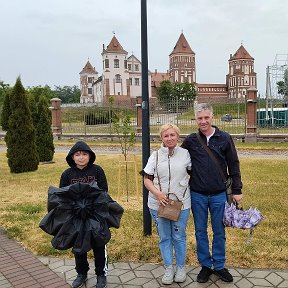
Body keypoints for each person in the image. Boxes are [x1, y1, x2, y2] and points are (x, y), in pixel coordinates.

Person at [181, 102, 243, 283]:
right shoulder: (191, 141)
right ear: (196, 119)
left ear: (212, 117)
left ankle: (220, 265)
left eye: (206, 117)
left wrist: (237, 190)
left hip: (219, 194)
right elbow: (179, 159)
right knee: (200, 231)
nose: (203, 121)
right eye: (200, 118)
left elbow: (234, 164)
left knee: (219, 231)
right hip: (197, 194)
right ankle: (206, 266)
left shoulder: (224, 138)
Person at [142, 124, 191, 285]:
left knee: (179, 236)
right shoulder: (155, 156)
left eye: (172, 135)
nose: (169, 138)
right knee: (165, 237)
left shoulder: (185, 154)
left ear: (178, 136)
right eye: (166, 136)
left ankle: (181, 268)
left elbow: (194, 173)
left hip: (181, 204)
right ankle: (169, 268)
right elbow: (147, 179)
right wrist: (158, 194)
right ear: (161, 138)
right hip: (158, 204)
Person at [59, 141, 108, 288]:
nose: (81, 157)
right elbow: (62, 195)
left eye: (84, 154)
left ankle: (101, 274)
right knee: (79, 246)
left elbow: (104, 191)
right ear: (72, 157)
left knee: (99, 244)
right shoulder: (67, 174)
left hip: (95, 215)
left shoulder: (97, 170)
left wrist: (91, 206)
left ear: (90, 155)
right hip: (76, 217)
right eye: (77, 154)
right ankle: (81, 273)